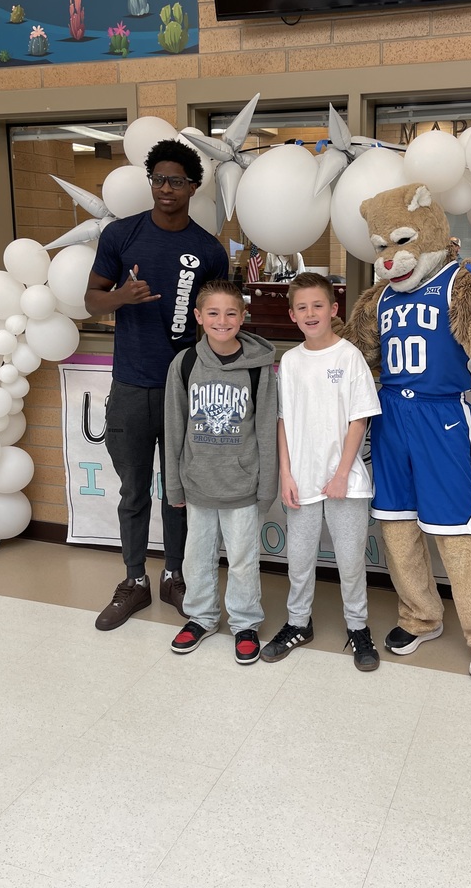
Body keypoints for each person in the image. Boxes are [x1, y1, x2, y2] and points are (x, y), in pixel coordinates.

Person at [85, 139, 229, 631]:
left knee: (179, 491)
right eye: (159, 179)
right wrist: (121, 296)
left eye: (177, 181)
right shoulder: (121, 236)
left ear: (194, 187)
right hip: (130, 385)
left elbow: (216, 318)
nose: (166, 189)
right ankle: (134, 582)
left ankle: (174, 576)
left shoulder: (209, 250)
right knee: (133, 490)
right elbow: (91, 301)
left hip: (185, 390)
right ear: (151, 182)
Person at [261, 273, 382, 672]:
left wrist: (342, 473)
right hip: (302, 480)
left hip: (343, 481)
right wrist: (286, 474)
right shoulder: (291, 362)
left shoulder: (348, 357)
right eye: (302, 307)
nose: (310, 313)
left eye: (318, 306)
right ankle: (298, 623)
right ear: (292, 314)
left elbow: (359, 419)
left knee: (350, 562)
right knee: (299, 560)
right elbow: (282, 421)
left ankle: (358, 628)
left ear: (333, 310)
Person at [163, 280, 278, 664]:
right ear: (198, 317)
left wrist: (267, 486)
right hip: (197, 483)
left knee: (244, 558)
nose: (222, 320)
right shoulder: (185, 364)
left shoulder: (260, 368)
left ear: (243, 317)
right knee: (197, 555)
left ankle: (245, 622)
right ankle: (202, 617)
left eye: (231, 313)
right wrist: (174, 485)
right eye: (213, 313)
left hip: (242, 483)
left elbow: (264, 428)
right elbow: (174, 426)